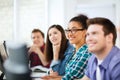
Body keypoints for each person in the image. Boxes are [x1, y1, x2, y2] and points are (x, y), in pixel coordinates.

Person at [41, 14, 92, 80]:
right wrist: (51, 76)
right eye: (68, 30)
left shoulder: (86, 52)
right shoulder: (75, 51)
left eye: (74, 30)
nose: (69, 34)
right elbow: (67, 76)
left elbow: (69, 77)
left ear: (85, 32)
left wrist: (54, 77)